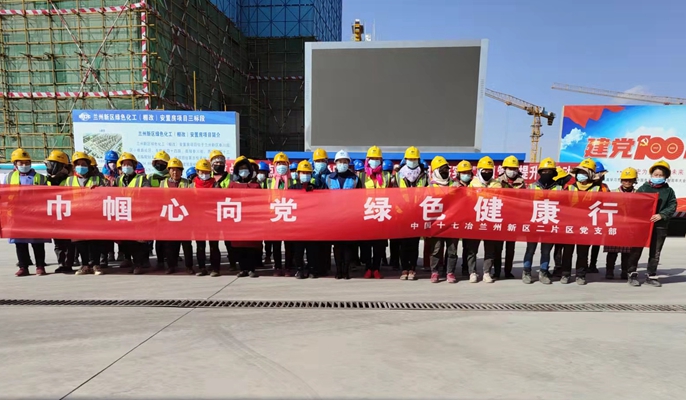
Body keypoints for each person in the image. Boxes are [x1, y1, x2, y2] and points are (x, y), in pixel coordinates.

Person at [627, 160, 677, 287]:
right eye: (656, 175)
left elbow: (672, 205)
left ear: (666, 176)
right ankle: (631, 274)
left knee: (655, 252)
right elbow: (635, 205)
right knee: (636, 250)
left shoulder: (669, 191)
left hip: (660, 226)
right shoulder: (643, 188)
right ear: (651, 175)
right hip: (642, 225)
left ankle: (651, 276)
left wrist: (662, 215)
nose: (658, 177)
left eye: (661, 175)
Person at [6, 148, 50, 277]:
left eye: (27, 162)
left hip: (35, 215)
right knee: (20, 243)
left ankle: (40, 266)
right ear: (15, 164)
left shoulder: (40, 178)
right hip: (17, 215)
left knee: (38, 242)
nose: (24, 165)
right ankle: (23, 267)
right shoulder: (9, 177)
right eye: (21, 163)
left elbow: (47, 195)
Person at [63, 151, 106, 275]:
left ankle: (96, 265)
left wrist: (99, 188)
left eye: (84, 164)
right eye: (78, 164)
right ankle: (85, 265)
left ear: (88, 166)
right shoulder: (69, 180)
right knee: (80, 242)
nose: (81, 166)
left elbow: (106, 193)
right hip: (76, 215)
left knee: (94, 241)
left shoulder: (97, 179)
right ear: (74, 166)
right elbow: (64, 196)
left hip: (93, 215)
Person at [561, 158, 601, 285]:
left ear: (590, 174)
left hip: (587, 226)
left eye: (584, 172)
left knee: (583, 252)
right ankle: (565, 274)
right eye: (579, 172)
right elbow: (561, 205)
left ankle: (581, 275)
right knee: (567, 252)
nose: (581, 175)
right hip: (570, 225)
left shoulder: (598, 189)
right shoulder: (569, 187)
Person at [522, 157, 561, 285]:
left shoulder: (559, 188)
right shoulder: (531, 187)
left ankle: (543, 272)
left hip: (550, 224)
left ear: (554, 173)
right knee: (530, 250)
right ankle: (526, 272)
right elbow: (525, 206)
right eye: (544, 171)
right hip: (534, 223)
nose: (546, 173)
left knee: (546, 251)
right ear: (539, 172)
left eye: (549, 171)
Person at [324, 150, 363, 279]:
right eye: (340, 161)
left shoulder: (355, 178)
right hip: (334, 217)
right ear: (335, 163)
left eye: (345, 161)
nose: (342, 164)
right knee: (337, 245)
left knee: (348, 245)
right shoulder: (329, 178)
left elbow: (360, 197)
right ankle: (338, 270)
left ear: (348, 163)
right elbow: (323, 197)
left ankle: (346, 270)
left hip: (349, 216)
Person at [358, 145, 393, 279]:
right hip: (366, 214)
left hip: (381, 214)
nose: (374, 161)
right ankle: (368, 268)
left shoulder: (387, 176)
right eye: (372, 158)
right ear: (367, 160)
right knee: (366, 245)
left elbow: (392, 194)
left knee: (379, 245)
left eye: (377, 158)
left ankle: (376, 268)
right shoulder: (361, 176)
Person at [114, 152, 150, 274]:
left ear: (134, 166)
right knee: (126, 241)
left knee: (138, 241)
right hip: (123, 214)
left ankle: (138, 264)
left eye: (129, 164)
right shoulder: (118, 180)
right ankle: (129, 260)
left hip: (138, 214)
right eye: (124, 164)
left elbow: (148, 193)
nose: (126, 166)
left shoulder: (142, 179)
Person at [468, 156, 502, 283]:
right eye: (484, 170)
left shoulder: (497, 184)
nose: (487, 173)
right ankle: (472, 272)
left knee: (490, 249)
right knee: (472, 249)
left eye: (489, 170)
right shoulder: (473, 183)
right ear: (479, 170)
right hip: (475, 220)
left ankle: (486, 272)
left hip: (490, 220)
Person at [426, 156, 459, 283]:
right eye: (442, 169)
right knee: (436, 249)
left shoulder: (454, 184)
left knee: (452, 250)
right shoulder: (430, 187)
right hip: (436, 223)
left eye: (447, 169)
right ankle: (435, 272)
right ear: (435, 170)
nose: (446, 171)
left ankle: (450, 272)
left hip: (452, 222)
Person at [228, 156, 263, 278]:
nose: (243, 171)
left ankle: (251, 269)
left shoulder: (255, 185)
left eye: (246, 168)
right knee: (240, 247)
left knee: (251, 247)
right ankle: (242, 269)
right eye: (241, 168)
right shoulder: (232, 185)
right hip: (237, 221)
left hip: (251, 221)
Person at [397, 146, 428, 280]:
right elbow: (394, 194)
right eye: (410, 159)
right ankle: (404, 269)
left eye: (414, 159)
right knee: (404, 244)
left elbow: (427, 193)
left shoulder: (424, 175)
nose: (412, 161)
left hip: (417, 212)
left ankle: (412, 269)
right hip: (403, 213)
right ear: (405, 159)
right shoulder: (398, 175)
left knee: (414, 244)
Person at [160, 158, 195, 275]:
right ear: (169, 171)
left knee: (186, 245)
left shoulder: (188, 183)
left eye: (178, 170)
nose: (175, 172)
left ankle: (189, 266)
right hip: (169, 219)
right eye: (173, 170)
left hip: (183, 218)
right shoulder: (162, 183)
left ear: (181, 171)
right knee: (170, 245)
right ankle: (171, 266)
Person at [45, 150, 77, 273]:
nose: (50, 167)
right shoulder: (47, 181)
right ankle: (61, 263)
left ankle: (68, 263)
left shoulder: (70, 180)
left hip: (68, 215)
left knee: (69, 242)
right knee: (58, 243)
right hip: (53, 215)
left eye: (52, 164)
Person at [494, 155, 525, 279]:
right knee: (497, 248)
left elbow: (525, 200)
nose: (512, 171)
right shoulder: (497, 181)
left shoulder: (522, 183)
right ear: (504, 169)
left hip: (514, 218)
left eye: (514, 168)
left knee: (510, 248)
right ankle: (496, 271)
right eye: (510, 168)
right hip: (500, 218)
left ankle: (508, 271)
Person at [603, 167, 637, 280]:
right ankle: (609, 271)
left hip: (629, 227)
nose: (627, 182)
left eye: (630, 180)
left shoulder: (638, 194)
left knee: (627, 252)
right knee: (612, 252)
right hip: (614, 225)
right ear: (621, 180)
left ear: (634, 181)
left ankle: (624, 271)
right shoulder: (612, 193)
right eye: (625, 180)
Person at [288, 160, 319, 278]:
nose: (305, 175)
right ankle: (299, 269)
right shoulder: (292, 188)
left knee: (312, 250)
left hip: (312, 225)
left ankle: (312, 269)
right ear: (298, 174)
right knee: (298, 250)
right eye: (303, 173)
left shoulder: (316, 189)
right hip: (298, 225)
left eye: (307, 173)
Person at [190, 159, 220, 276]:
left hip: (212, 219)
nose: (204, 174)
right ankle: (202, 268)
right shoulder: (192, 185)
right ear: (197, 171)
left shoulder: (215, 184)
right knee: (200, 246)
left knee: (214, 245)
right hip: (198, 220)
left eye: (207, 172)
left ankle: (215, 268)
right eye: (202, 171)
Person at [267, 152, 292, 276]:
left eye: (284, 163)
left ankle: (288, 267)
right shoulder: (269, 182)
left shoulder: (292, 181)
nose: (281, 166)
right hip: (274, 217)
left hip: (289, 216)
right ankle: (277, 267)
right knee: (276, 245)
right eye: (279, 163)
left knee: (289, 245)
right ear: (274, 166)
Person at [587, 161, 611, 273]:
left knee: (596, 243)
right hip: (587, 218)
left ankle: (593, 264)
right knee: (585, 244)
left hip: (599, 219)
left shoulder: (605, 187)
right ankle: (584, 264)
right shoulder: (586, 186)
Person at [454, 160, 474, 276]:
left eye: (468, 172)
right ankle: (448, 269)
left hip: (470, 219)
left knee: (468, 246)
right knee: (452, 247)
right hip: (455, 219)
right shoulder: (453, 185)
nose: (466, 175)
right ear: (458, 174)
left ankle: (466, 268)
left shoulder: (474, 185)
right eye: (463, 172)